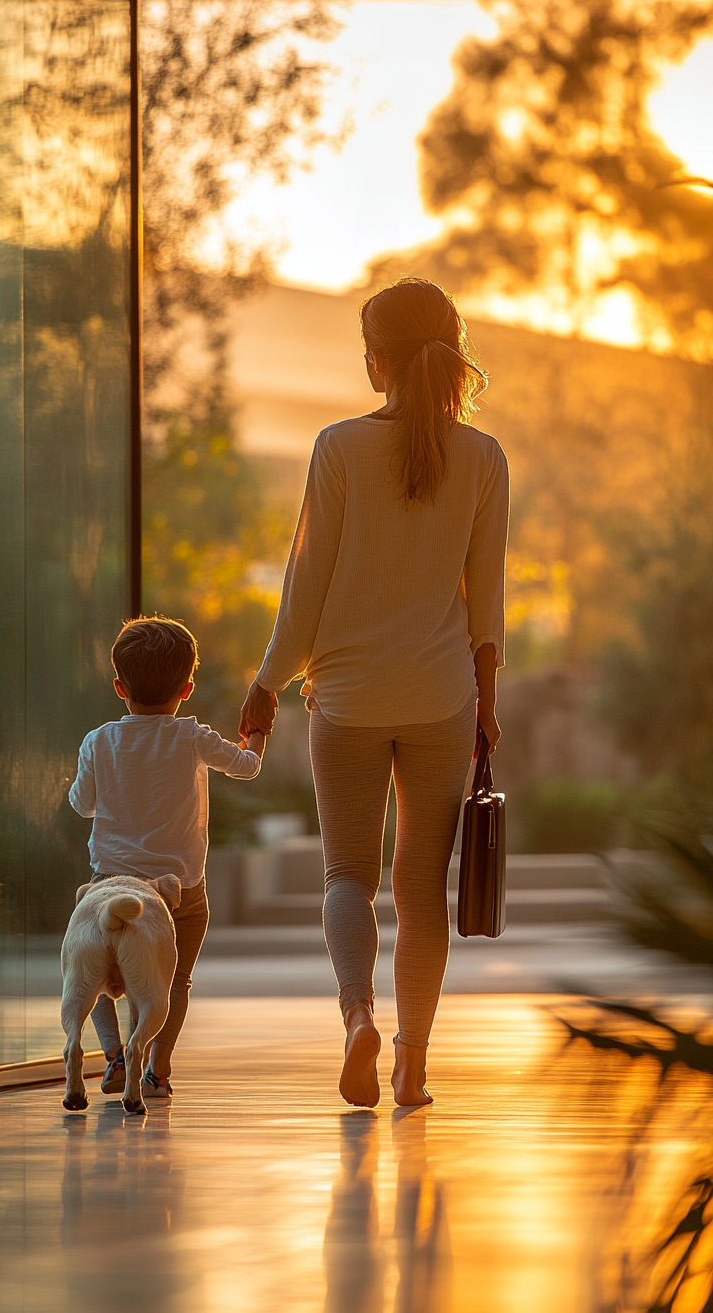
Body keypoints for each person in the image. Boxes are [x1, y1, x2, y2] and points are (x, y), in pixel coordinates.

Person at [240, 278, 509, 1109]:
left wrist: (266, 683)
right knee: (421, 887)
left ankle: (357, 1018)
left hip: (347, 698)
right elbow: (487, 603)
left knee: (346, 876)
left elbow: (306, 582)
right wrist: (486, 705)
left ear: (377, 361)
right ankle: (413, 1064)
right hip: (440, 696)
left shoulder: (337, 446)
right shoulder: (484, 457)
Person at [69, 615, 265, 1102]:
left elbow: (82, 804)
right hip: (180, 891)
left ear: (119, 686)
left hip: (108, 884)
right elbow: (247, 767)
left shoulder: (99, 740)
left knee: (89, 973)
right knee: (175, 978)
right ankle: (155, 1071)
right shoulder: (192, 736)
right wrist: (257, 732)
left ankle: (114, 1056)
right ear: (187, 687)